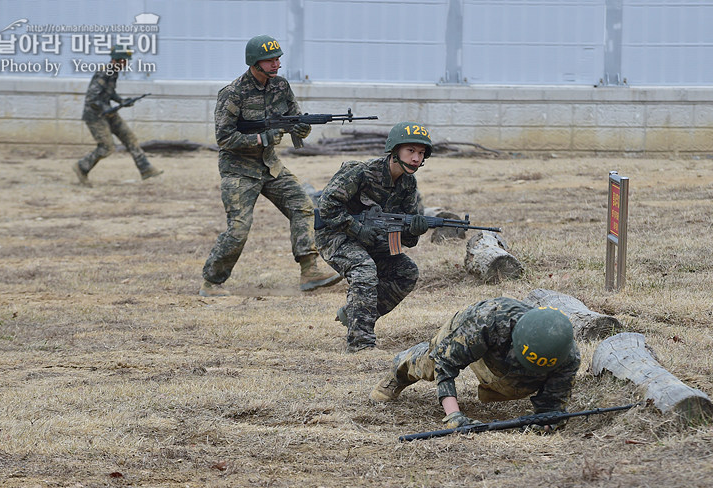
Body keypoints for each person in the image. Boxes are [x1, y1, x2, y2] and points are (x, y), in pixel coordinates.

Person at [199, 35, 341, 296]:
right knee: (239, 228)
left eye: (278, 59)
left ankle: (310, 270)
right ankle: (211, 282)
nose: (277, 64)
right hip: (239, 169)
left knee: (304, 207)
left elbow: (295, 118)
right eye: (270, 60)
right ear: (254, 63)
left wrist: (301, 128)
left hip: (270, 166)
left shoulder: (281, 87)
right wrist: (261, 137)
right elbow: (224, 138)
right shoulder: (232, 93)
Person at [370, 298, 580, 429]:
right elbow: (446, 363)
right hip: (471, 335)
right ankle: (400, 368)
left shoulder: (567, 356)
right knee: (431, 363)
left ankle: (494, 387)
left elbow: (553, 406)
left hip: (502, 363)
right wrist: (453, 415)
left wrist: (547, 421)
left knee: (517, 388)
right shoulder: (486, 320)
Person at [314, 121, 433, 353]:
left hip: (373, 242)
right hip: (336, 236)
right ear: (394, 150)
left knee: (406, 272)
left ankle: (356, 314)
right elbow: (327, 206)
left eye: (420, 153)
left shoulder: (408, 184)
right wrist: (358, 230)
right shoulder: (361, 172)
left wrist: (414, 230)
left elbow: (405, 236)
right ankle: (361, 344)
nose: (416, 158)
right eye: (410, 151)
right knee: (365, 270)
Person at [73, 45, 162, 187]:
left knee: (129, 138)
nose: (126, 64)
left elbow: (109, 92)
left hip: (108, 113)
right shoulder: (104, 73)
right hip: (95, 115)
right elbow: (92, 98)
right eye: (124, 61)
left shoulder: (113, 72)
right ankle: (82, 167)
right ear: (117, 60)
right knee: (106, 147)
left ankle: (146, 169)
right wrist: (106, 108)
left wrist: (121, 101)